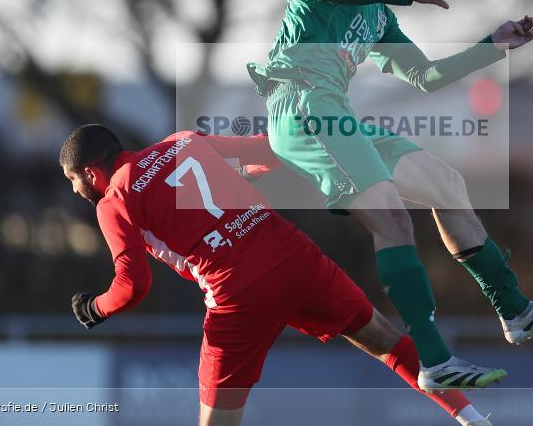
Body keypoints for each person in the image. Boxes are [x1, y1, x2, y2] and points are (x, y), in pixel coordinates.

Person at [246, 0, 533, 385]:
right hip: (301, 108)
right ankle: (435, 361)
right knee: (393, 219)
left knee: (446, 183)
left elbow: (424, 77)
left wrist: (493, 47)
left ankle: (515, 311)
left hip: (337, 115)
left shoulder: (380, 16)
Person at [60, 125, 501, 426]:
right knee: (385, 340)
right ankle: (473, 419)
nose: (76, 191)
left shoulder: (112, 201)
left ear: (90, 173)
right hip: (292, 257)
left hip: (236, 294)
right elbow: (271, 152)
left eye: (73, 181)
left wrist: (95, 308)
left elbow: (133, 286)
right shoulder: (185, 141)